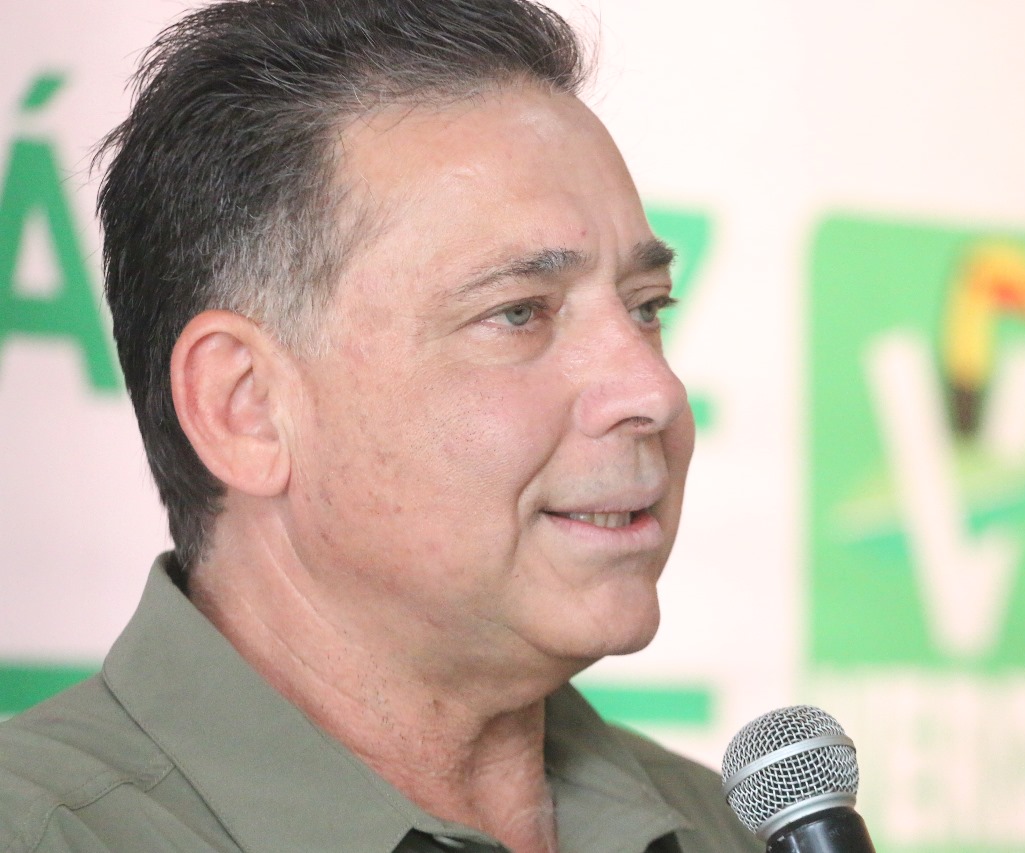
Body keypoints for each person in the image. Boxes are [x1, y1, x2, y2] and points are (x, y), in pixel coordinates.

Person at [0, 1, 762, 851]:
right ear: (245, 407)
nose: (654, 390)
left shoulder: (732, 830)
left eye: (647, 307)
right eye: (519, 313)